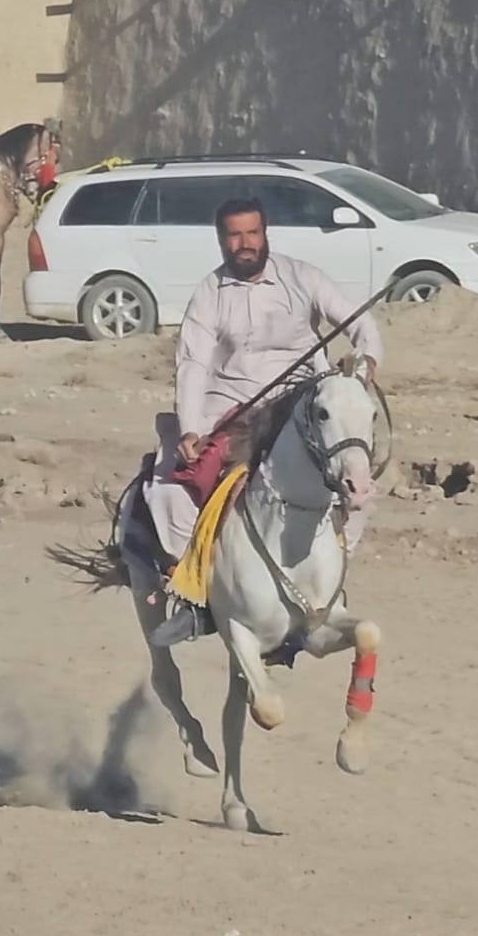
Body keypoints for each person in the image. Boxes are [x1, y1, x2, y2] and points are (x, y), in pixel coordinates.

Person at [145, 196, 385, 645]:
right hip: (229, 407)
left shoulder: (302, 277)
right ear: (221, 240)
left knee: (356, 481)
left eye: (252, 233)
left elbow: (360, 324)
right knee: (171, 492)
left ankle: (330, 585)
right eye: (234, 236)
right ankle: (193, 599)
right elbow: (193, 363)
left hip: (298, 404)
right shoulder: (209, 293)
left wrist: (366, 361)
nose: (245, 244)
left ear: (266, 233)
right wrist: (192, 427)